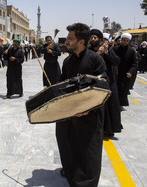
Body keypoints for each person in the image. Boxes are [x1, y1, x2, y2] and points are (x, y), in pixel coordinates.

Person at [56, 23, 107, 187]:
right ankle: (70, 170)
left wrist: (86, 109)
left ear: (82, 41)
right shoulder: (68, 61)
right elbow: (62, 84)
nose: (67, 42)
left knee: (87, 151)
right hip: (69, 114)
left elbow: (102, 87)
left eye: (71, 39)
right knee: (67, 143)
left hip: (89, 115)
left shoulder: (95, 60)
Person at [89, 30, 122, 137]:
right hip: (95, 82)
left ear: (100, 39)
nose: (93, 39)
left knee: (111, 105)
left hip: (109, 81)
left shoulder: (108, 50)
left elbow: (116, 61)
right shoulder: (88, 51)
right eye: (91, 38)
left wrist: (107, 52)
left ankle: (110, 129)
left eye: (95, 38)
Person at [114, 33, 137, 109]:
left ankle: (121, 104)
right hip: (116, 73)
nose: (124, 42)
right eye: (123, 40)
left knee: (123, 90)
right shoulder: (115, 49)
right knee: (115, 89)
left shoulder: (131, 51)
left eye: (126, 41)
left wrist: (130, 72)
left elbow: (134, 64)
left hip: (125, 74)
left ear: (129, 41)